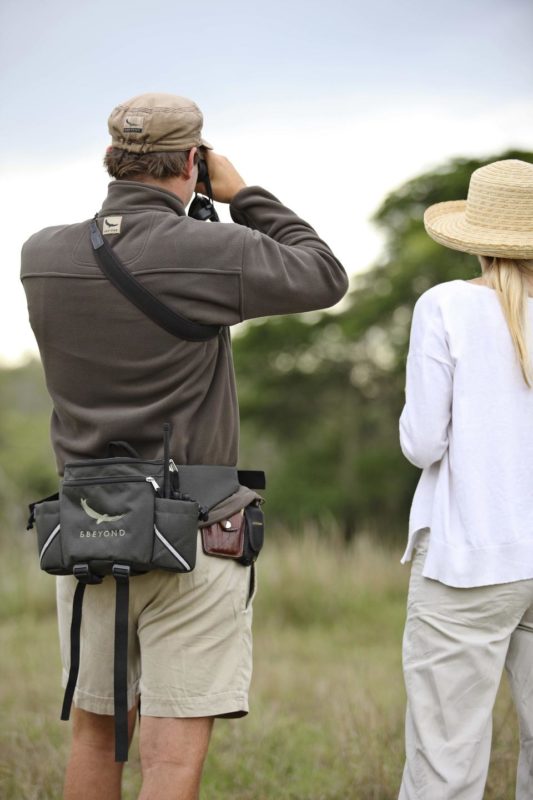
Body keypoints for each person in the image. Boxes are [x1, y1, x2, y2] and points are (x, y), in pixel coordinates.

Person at [20, 92, 348, 800]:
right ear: (194, 162)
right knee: (169, 758)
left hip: (88, 528)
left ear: (111, 159)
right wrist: (245, 195)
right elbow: (323, 275)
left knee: (94, 733)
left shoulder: (41, 254)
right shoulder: (211, 248)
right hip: (193, 530)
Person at [398, 158, 533, 800]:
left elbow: (423, 443)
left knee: (445, 764)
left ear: (476, 236)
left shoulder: (446, 305)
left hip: (468, 562)